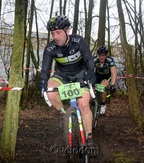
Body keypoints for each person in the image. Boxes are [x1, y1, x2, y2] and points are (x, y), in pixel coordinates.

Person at [38, 15, 96, 148]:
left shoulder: (78, 41)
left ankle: (89, 138)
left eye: (58, 32)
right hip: (63, 75)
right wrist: (42, 81)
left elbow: (89, 60)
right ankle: (64, 115)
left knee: (83, 105)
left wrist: (91, 72)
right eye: (53, 33)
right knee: (50, 91)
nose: (55, 37)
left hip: (81, 75)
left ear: (67, 30)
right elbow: (45, 70)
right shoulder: (50, 48)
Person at [94, 45, 117, 115]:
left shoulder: (110, 60)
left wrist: (112, 84)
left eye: (103, 55)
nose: (101, 57)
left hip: (106, 77)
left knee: (102, 87)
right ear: (98, 55)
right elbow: (89, 70)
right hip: (97, 76)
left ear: (106, 55)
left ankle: (103, 104)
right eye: (100, 55)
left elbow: (114, 73)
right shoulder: (94, 59)